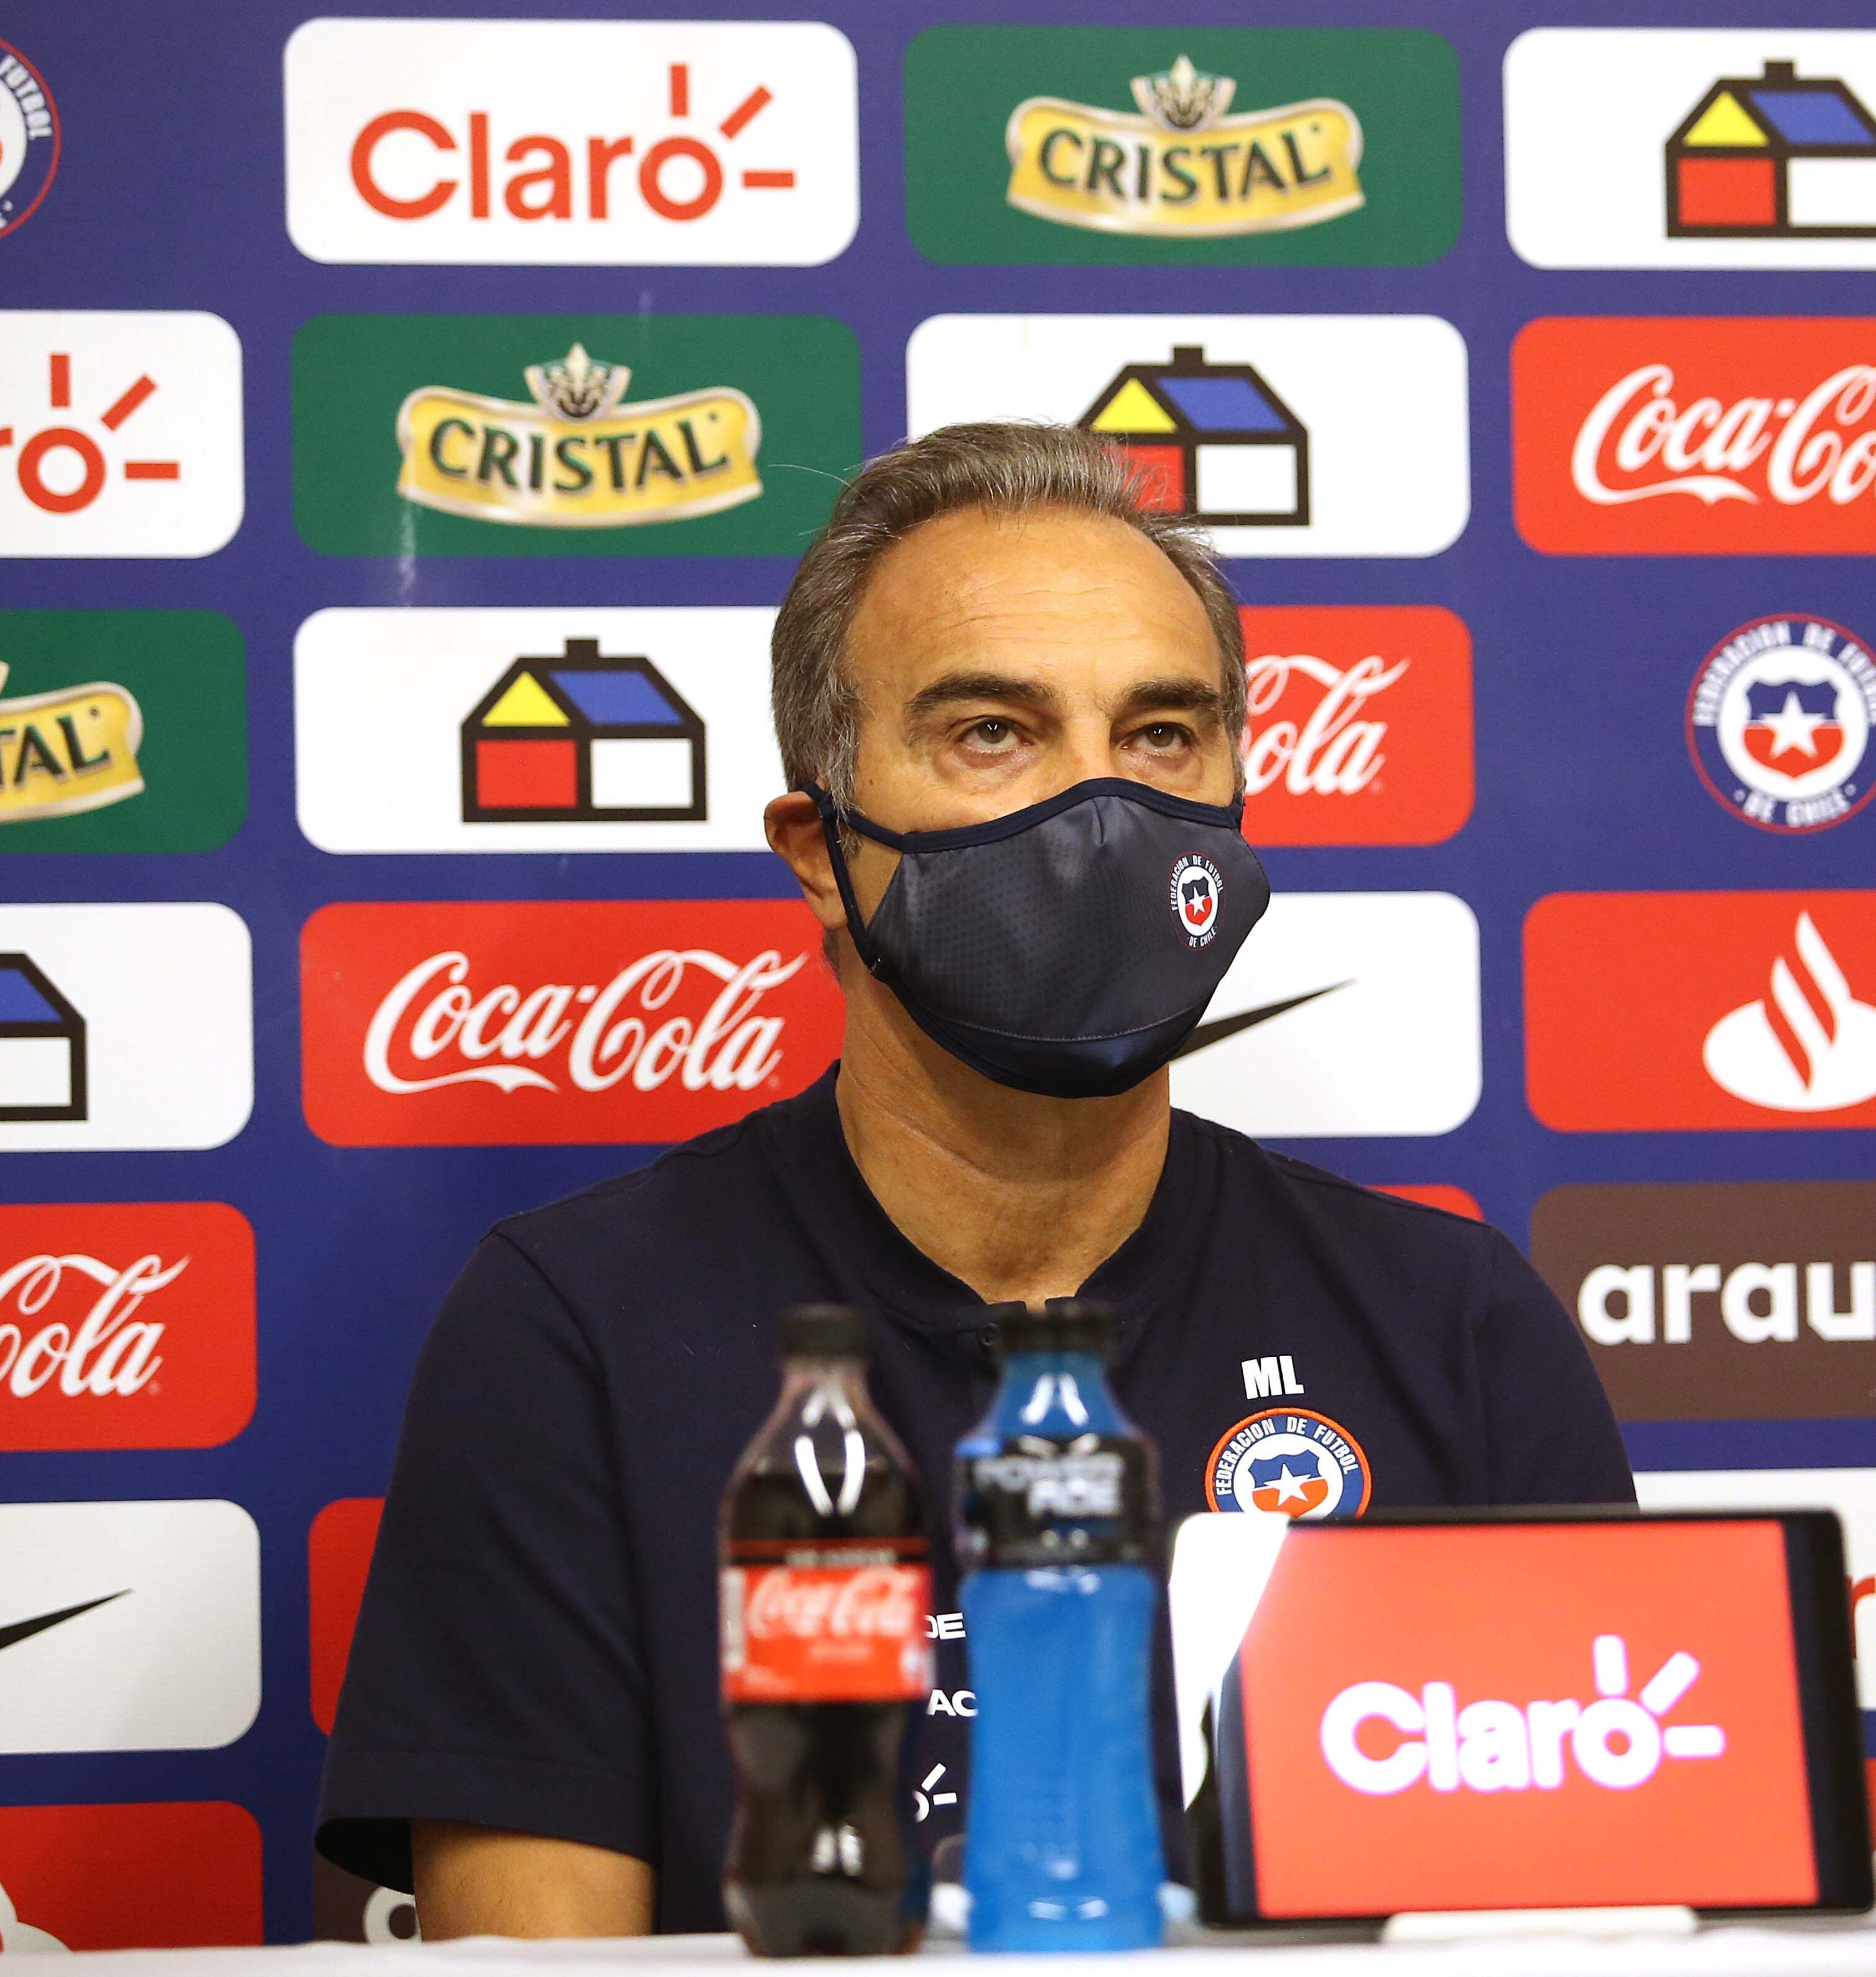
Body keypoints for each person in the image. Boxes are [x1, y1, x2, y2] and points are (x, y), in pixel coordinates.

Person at [315, 422, 1635, 1938]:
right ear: (819, 845)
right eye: (992, 732)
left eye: (1160, 735)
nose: (1100, 813)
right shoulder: (574, 1331)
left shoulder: (1449, 1324)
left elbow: (1575, 1924)